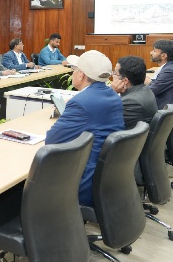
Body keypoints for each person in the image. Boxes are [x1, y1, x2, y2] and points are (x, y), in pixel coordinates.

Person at [46, 50, 124, 206]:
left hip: (85, 180)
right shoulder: (112, 95)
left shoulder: (81, 102)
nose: (73, 73)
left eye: (74, 70)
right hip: (108, 177)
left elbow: (52, 140)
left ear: (81, 75)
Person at [110, 56, 158, 130]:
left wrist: (111, 92)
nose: (113, 76)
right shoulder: (145, 89)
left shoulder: (131, 101)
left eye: (115, 73)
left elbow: (104, 121)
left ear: (125, 80)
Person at [147, 39, 173, 109]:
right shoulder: (171, 67)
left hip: (162, 109)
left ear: (163, 55)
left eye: (154, 51)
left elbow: (150, 91)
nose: (151, 52)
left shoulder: (169, 71)